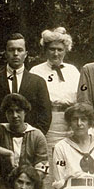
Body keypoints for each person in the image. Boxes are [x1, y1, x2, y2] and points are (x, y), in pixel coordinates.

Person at [0, 33, 52, 135]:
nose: (15, 54)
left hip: (29, 140)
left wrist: (33, 137)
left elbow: (45, 114)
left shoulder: (38, 82)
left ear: (26, 54)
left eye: (20, 50)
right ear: (5, 53)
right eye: (11, 50)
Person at [29, 27, 80, 160]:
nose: (56, 53)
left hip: (70, 122)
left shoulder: (73, 71)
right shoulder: (36, 71)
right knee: (47, 158)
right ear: (45, 50)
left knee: (69, 158)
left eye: (60, 50)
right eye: (52, 49)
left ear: (65, 51)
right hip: (47, 122)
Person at [0, 93, 48, 189]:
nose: (15, 115)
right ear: (5, 114)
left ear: (25, 112)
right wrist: (8, 153)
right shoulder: (0, 130)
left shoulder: (37, 135)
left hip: (32, 186)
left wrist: (27, 181)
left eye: (18, 111)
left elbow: (43, 167)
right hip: (5, 187)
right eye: (10, 112)